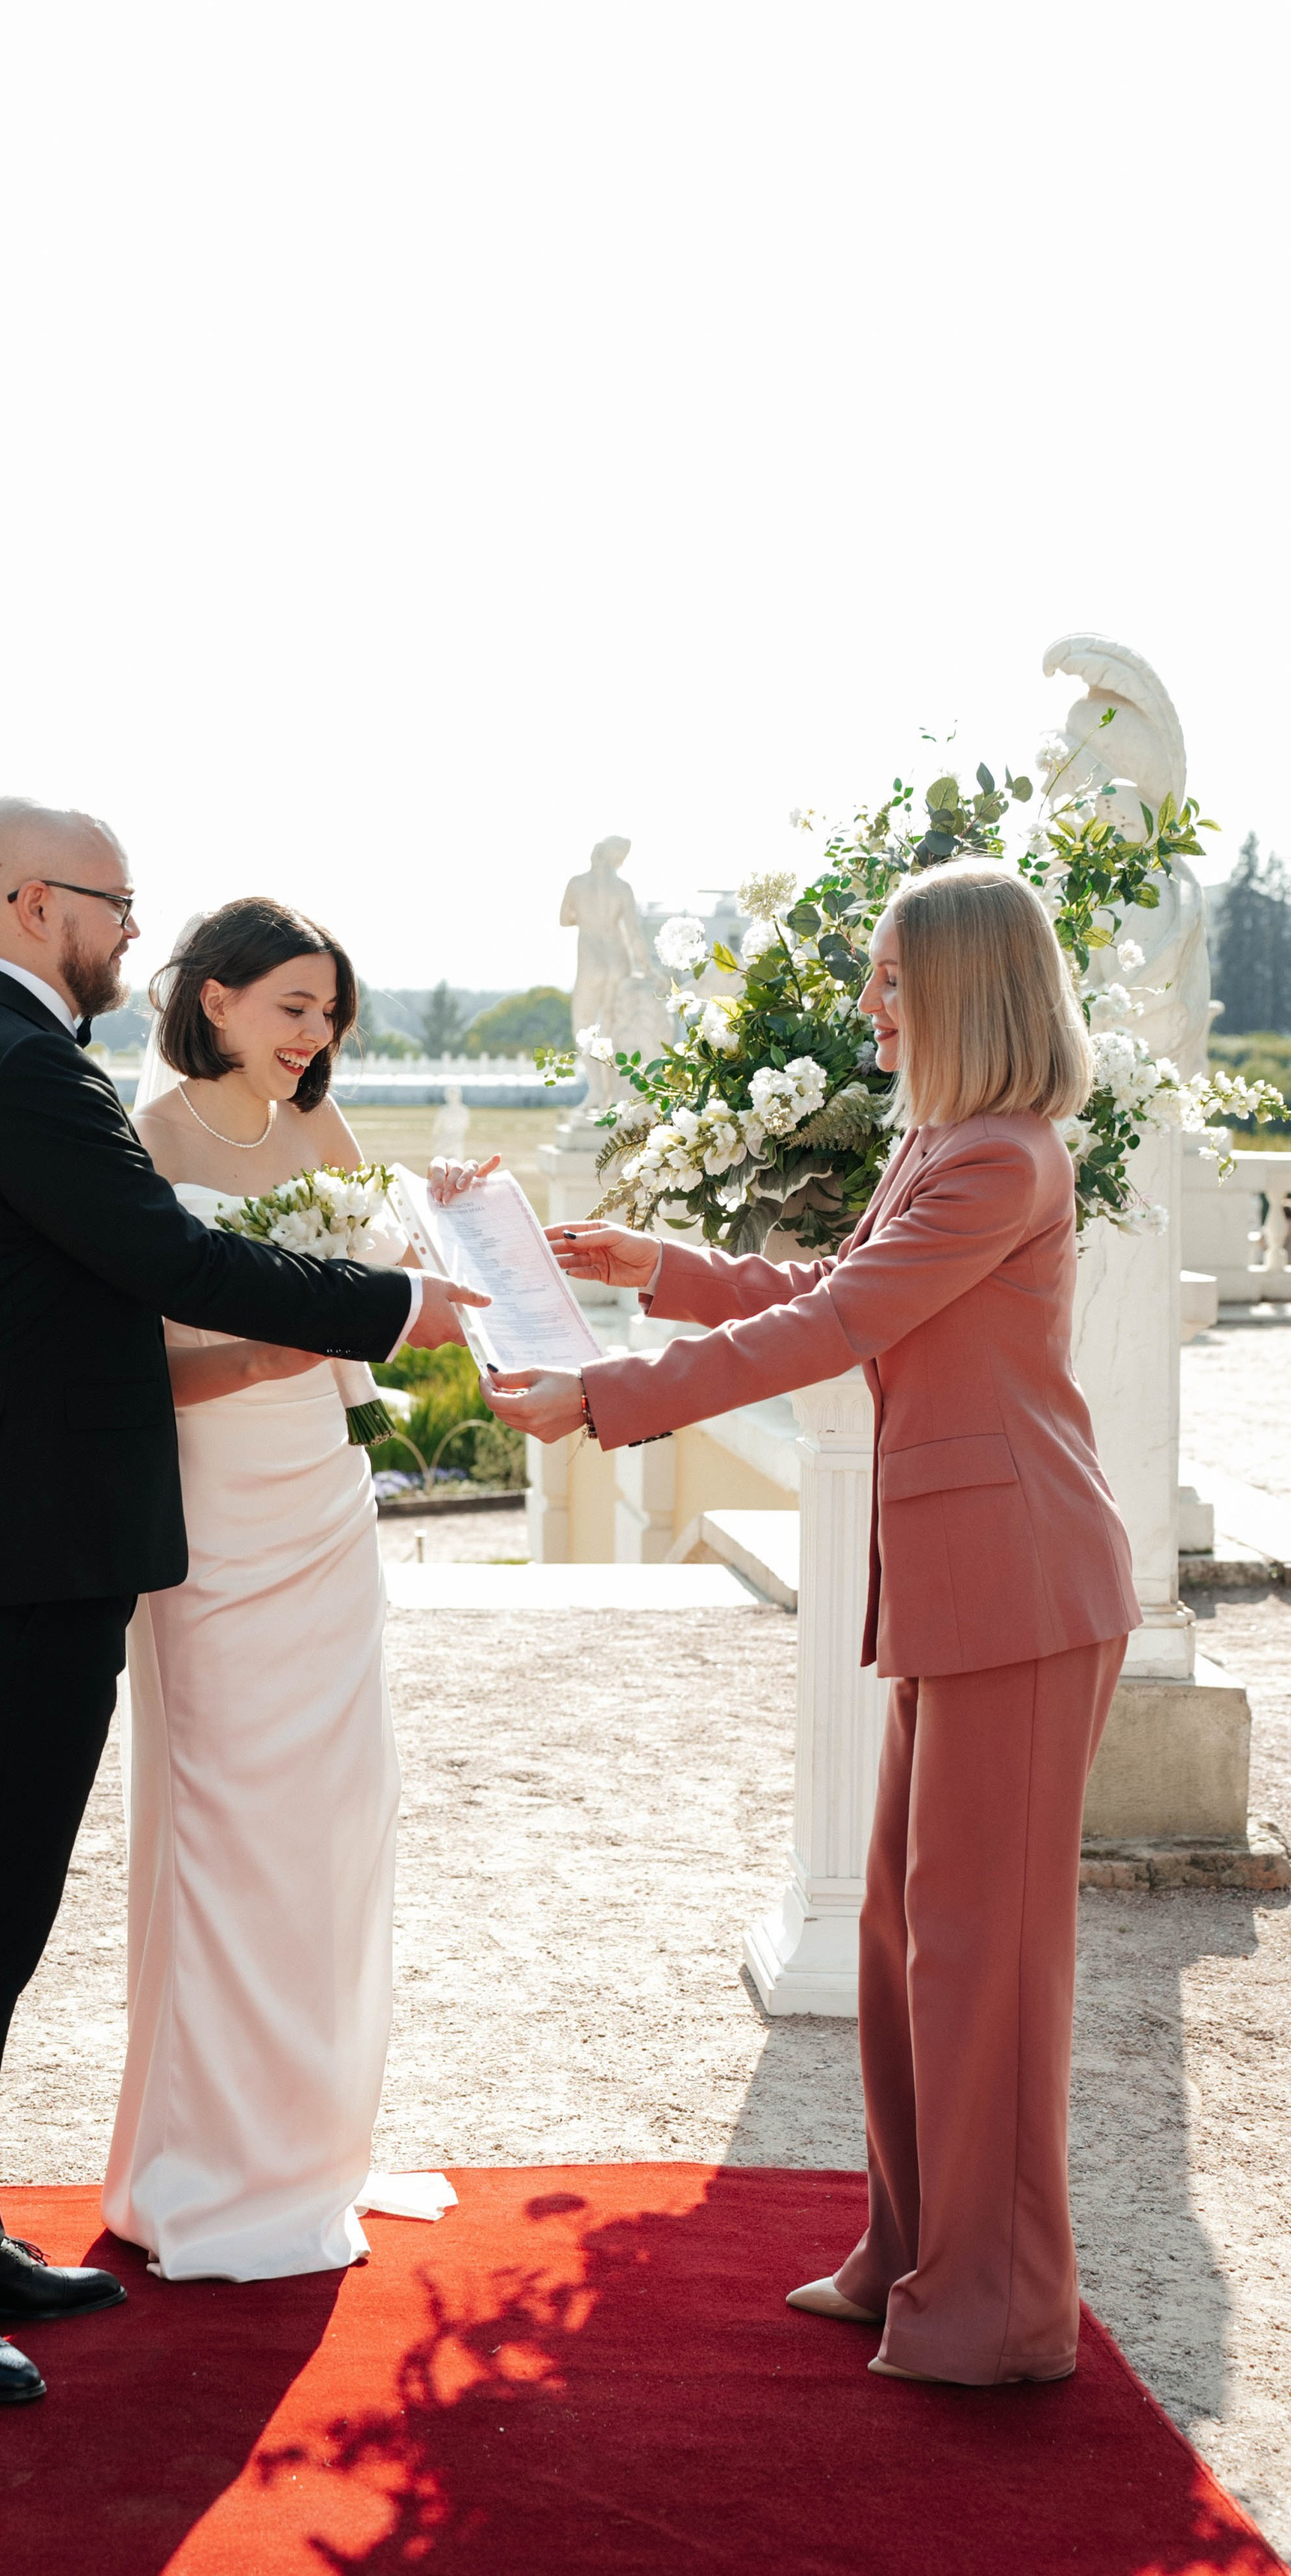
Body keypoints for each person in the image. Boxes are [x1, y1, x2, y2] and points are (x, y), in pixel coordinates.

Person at [460, 855, 1140, 2387]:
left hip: (1023, 1591)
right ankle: (911, 2256)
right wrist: (664, 1271)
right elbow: (834, 1283)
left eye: (888, 980)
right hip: (970, 1584)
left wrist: (609, 1398)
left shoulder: (997, 1160)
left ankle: (1001, 2313)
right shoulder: (953, 1146)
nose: (865, 1006)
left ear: (960, 988)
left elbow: (837, 1326)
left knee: (984, 1956)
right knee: (909, 1937)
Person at [0, 801, 484, 2406]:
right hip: (10, 1549)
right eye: (109, 905)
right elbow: (165, 1263)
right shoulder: (15, 1068)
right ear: (22, 897)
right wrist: (396, 1301)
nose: (132, 931)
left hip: (9, 1538)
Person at [103, 898, 453, 2281]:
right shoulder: (149, 1143)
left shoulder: (328, 1138)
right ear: (219, 1000)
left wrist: (451, 1228)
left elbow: (396, 1293)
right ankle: (199, 2166)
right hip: (209, 1508)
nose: (316, 1040)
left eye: (331, 1017)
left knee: (329, 1820)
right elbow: (130, 1361)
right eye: (295, 1009)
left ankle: (312, 2150)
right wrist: (256, 1358)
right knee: (223, 1817)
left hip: (323, 1505)